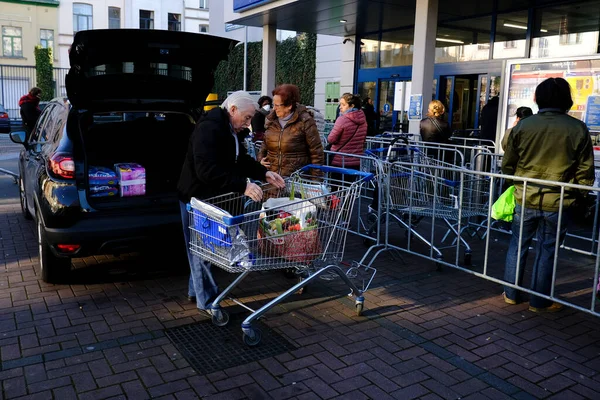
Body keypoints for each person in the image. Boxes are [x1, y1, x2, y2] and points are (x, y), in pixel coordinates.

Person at [177, 91, 285, 313]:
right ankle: (206, 301)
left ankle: (196, 291)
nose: (248, 123)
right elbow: (206, 170)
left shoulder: (230, 130)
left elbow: (240, 159)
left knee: (200, 248)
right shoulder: (209, 129)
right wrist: (242, 186)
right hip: (197, 197)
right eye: (246, 118)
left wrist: (264, 173)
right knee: (202, 251)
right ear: (232, 110)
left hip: (210, 197)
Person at [502, 77, 594, 313]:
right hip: (560, 200)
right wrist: (579, 194)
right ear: (567, 99)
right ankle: (539, 301)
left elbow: (508, 163)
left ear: (538, 98)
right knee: (548, 249)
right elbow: (585, 171)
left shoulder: (523, 126)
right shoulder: (577, 128)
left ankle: (511, 294)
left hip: (526, 195)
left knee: (517, 245)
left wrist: (517, 182)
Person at [258, 84, 324, 177]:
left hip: (296, 180)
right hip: (272, 179)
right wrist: (260, 159)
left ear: (289, 106)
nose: (274, 108)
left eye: (277, 105)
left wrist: (316, 183)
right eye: (273, 105)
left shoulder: (305, 121)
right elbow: (264, 144)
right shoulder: (271, 120)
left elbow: (316, 153)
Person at [327, 93, 368, 171]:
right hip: (356, 161)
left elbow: (331, 139)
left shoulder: (342, 119)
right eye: (340, 104)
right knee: (351, 183)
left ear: (352, 106)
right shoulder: (363, 120)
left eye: (343, 104)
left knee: (336, 182)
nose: (340, 107)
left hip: (339, 160)